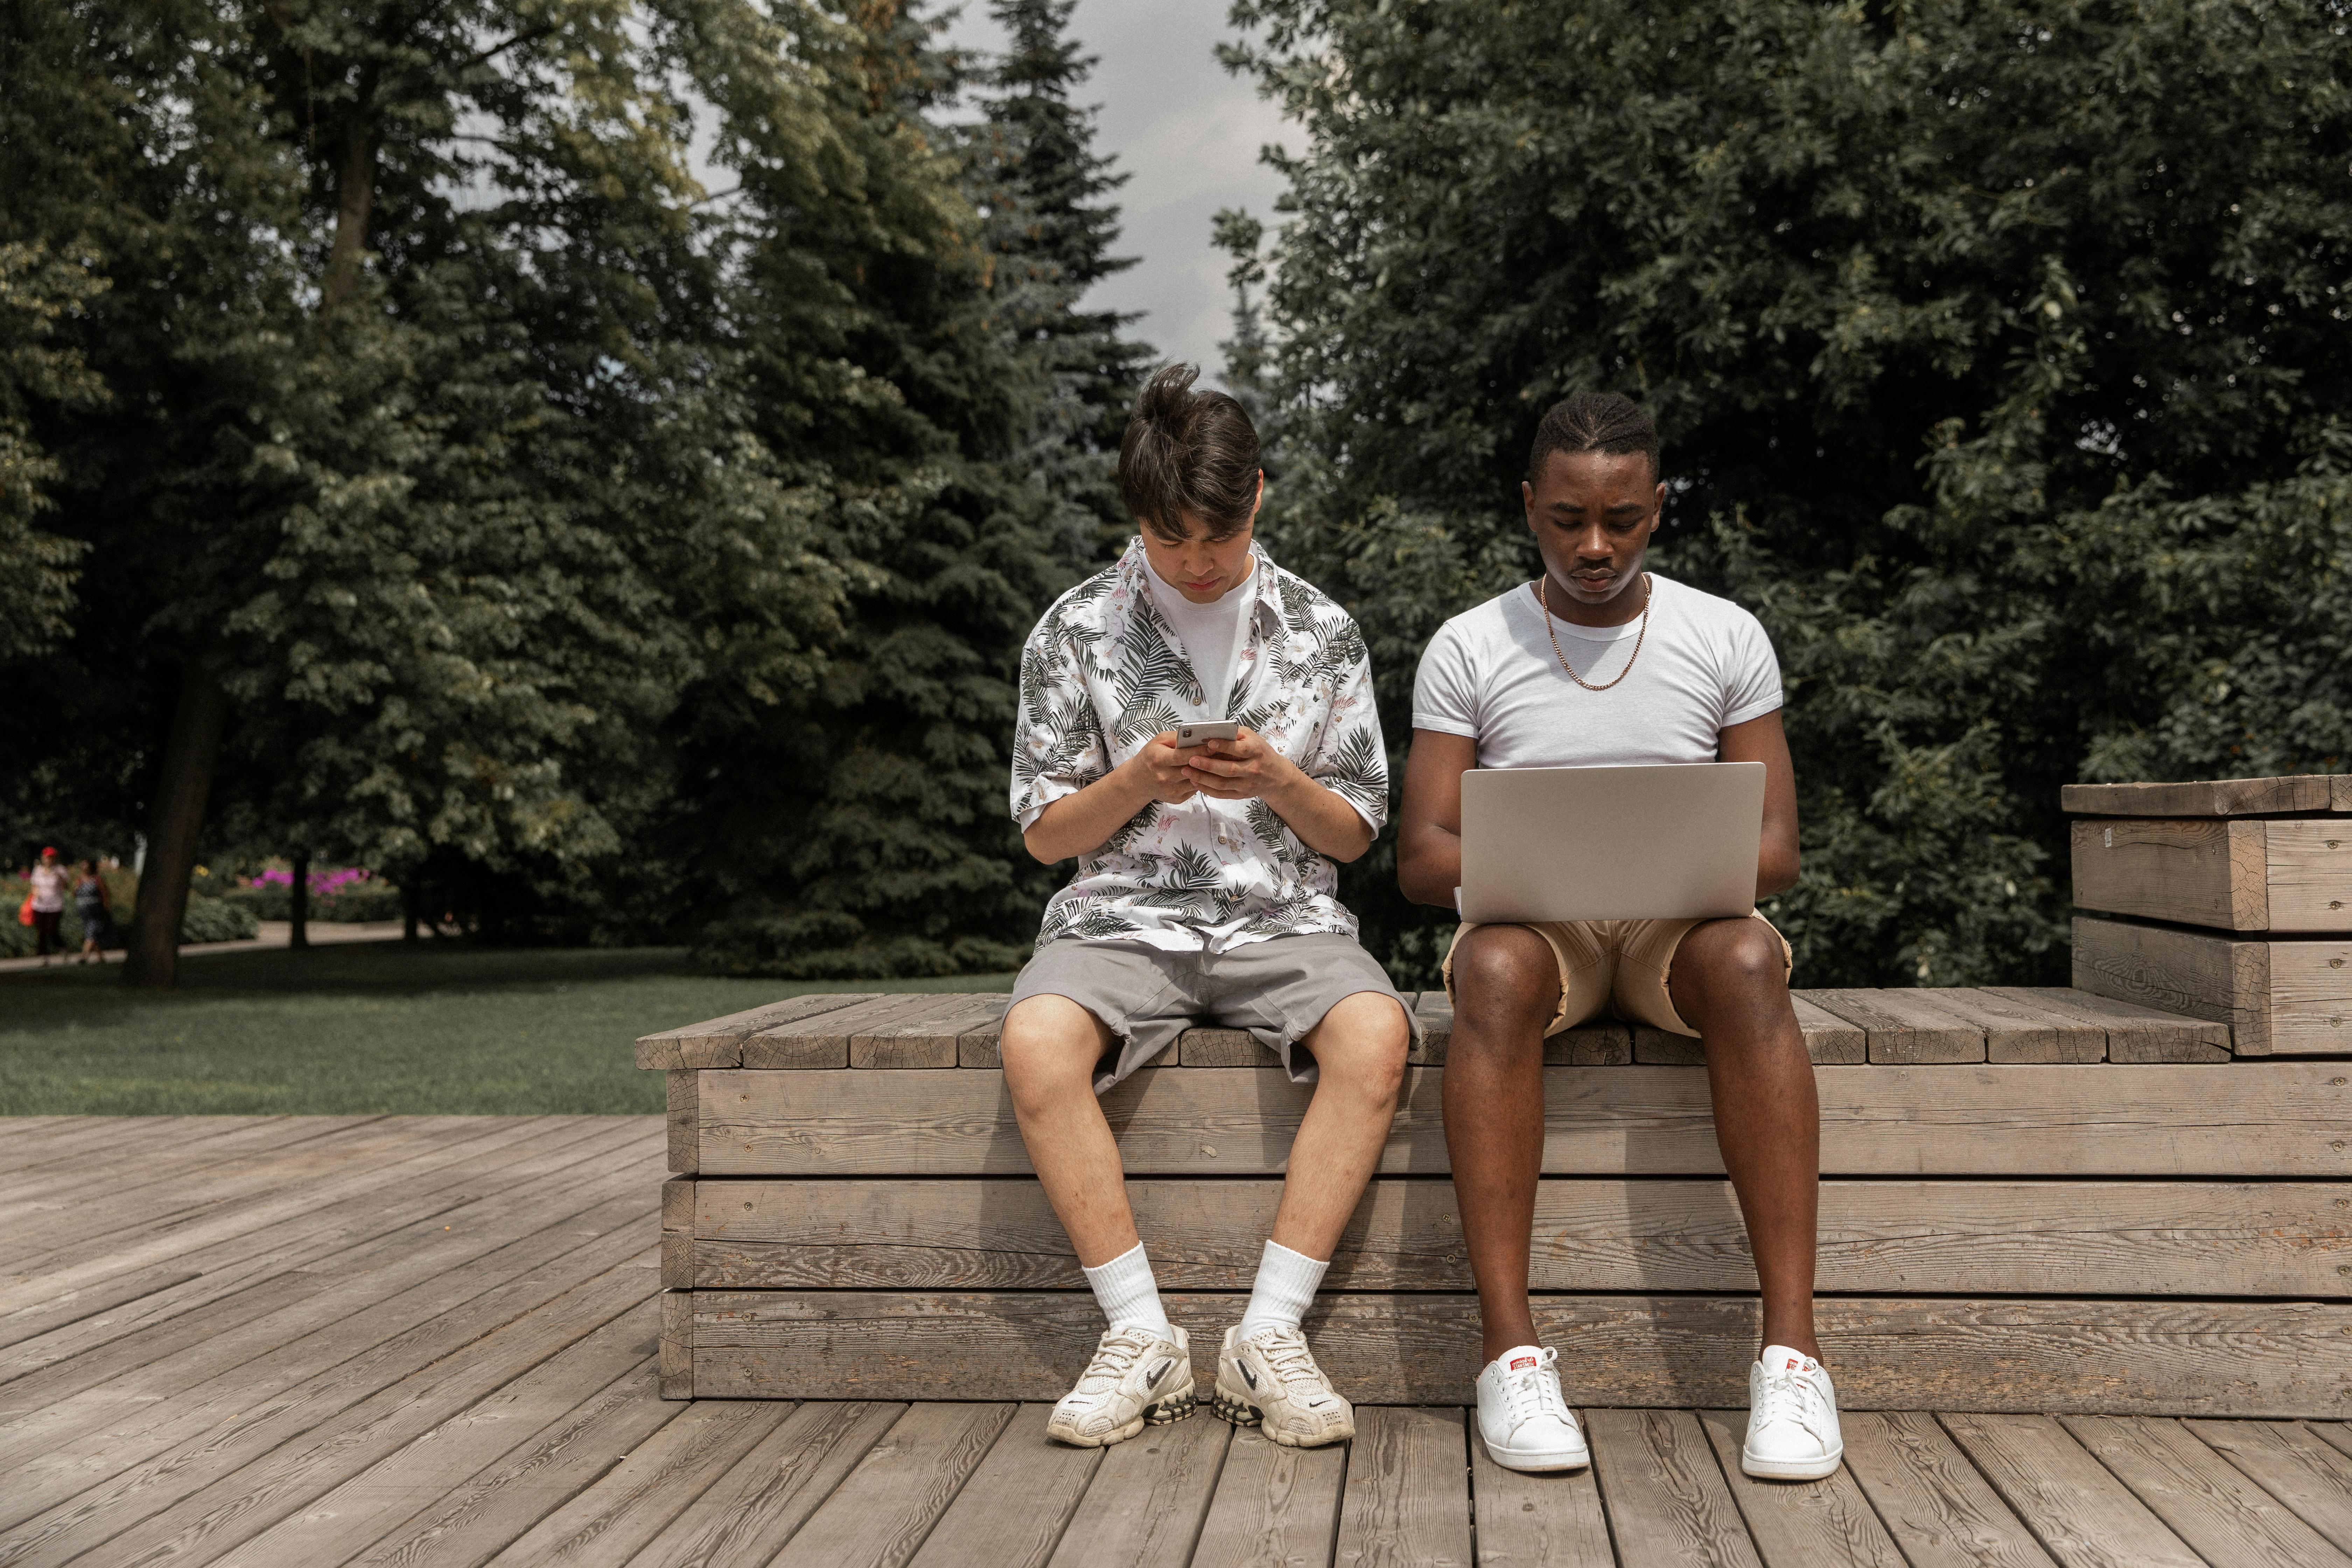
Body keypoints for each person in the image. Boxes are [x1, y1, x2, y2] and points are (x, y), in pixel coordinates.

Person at [1396, 392, 1840, 1481]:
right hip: (1534, 936)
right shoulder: (1468, 645)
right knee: (1490, 966)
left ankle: (1791, 1354)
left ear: (1657, 506)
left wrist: (1645, 862)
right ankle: (1507, 1352)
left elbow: (1775, 849)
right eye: (1564, 519)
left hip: (1671, 935)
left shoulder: (1722, 633)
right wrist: (1548, 866)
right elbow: (1419, 854)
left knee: (1745, 954)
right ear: (1526, 507)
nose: (1592, 545)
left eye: (1623, 519)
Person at [1004, 363, 1414, 1451]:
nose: (1192, 561)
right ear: (1133, 517)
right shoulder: (1074, 630)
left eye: (1214, 541)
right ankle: (1138, 1334)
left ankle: (1265, 1336)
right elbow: (1045, 835)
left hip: (1283, 916)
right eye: (1165, 537)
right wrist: (1134, 782)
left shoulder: (1321, 632)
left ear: (1259, 499)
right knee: (1035, 1038)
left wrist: (1278, 781)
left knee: (1377, 1033)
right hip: (1120, 919)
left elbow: (1357, 833)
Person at [27, 847, 68, 966]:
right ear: (43, 858)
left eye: (51, 857)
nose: (49, 860)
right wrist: (36, 893)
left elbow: (66, 886)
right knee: (41, 931)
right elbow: (34, 885)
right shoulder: (38, 870)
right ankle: (44, 957)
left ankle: (62, 948)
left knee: (51, 930)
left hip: (55, 905)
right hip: (39, 905)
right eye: (47, 857)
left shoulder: (60, 870)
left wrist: (60, 877)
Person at [75, 859, 113, 964]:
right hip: (84, 911)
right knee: (91, 932)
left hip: (96, 910)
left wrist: (106, 908)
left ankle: (84, 957)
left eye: (87, 866)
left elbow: (105, 894)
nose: (85, 868)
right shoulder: (80, 880)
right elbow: (75, 894)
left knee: (91, 931)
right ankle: (101, 958)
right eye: (83, 866)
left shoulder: (97, 880)